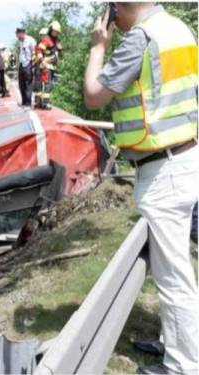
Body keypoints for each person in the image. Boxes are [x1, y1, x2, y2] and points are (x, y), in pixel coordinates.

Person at [84, 3, 198, 374]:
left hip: (163, 168)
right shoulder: (178, 29)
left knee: (173, 275)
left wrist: (98, 46)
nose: (111, 14)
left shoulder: (141, 39)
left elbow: (93, 95)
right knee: (174, 262)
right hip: (184, 155)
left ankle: (183, 365)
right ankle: (172, 341)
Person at [16, 27, 36, 107]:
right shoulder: (20, 42)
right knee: (21, 84)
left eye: (18, 35)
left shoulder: (31, 40)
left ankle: (28, 102)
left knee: (28, 84)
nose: (17, 37)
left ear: (22, 33)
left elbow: (34, 52)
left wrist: (33, 65)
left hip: (28, 64)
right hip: (21, 65)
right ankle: (24, 101)